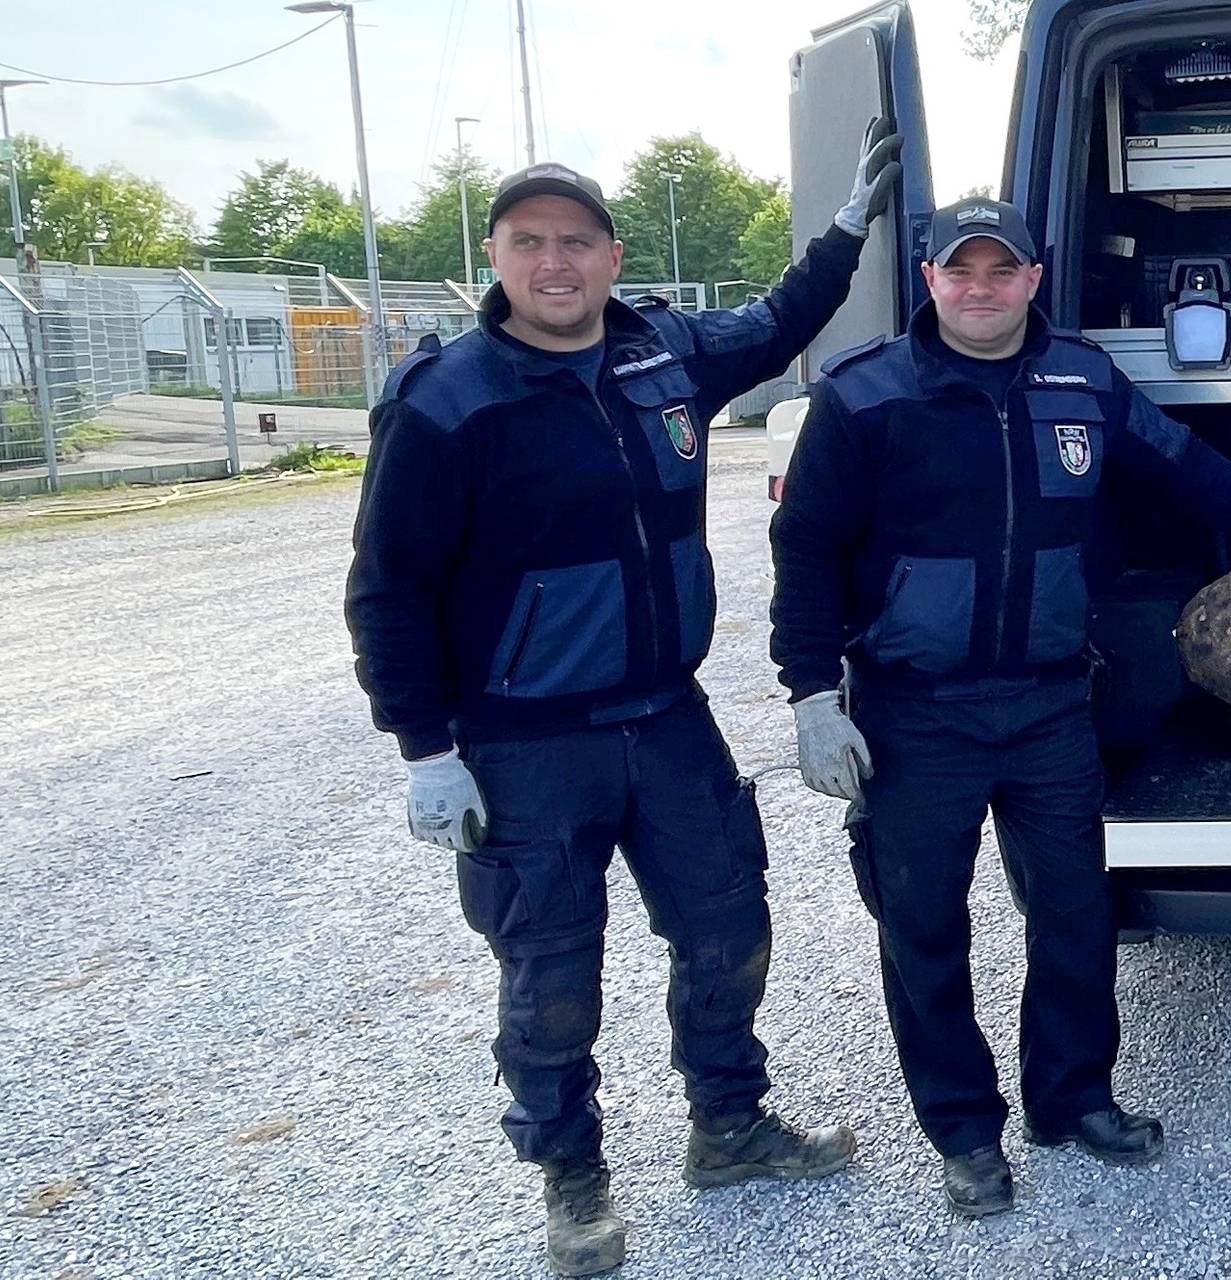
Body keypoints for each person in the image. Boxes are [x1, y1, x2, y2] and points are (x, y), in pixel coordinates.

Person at [344, 128, 902, 1280]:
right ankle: (572, 1175)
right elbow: (387, 587)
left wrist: (847, 231)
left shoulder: (664, 356)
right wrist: (424, 748)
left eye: (575, 242)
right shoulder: (447, 402)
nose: (553, 263)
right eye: (527, 242)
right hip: (523, 740)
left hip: (665, 717)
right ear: (494, 257)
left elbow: (777, 324)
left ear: (611, 257)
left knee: (728, 926)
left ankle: (727, 1125)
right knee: (551, 973)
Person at [769, 198, 1231, 1218]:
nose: (980, 287)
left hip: (1049, 702)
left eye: (999, 269)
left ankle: (1072, 1100)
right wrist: (809, 697)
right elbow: (805, 549)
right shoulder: (864, 392)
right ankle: (965, 1134)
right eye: (959, 269)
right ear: (929, 278)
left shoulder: (1081, 380)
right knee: (922, 928)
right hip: (914, 711)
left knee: (1073, 915)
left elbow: (1180, 461)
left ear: (1033, 279)